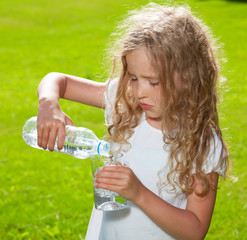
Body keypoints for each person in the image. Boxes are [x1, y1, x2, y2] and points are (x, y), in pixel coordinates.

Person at [36, 3, 230, 240]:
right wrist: (48, 104)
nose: (140, 92)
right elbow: (58, 80)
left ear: (189, 77)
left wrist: (138, 193)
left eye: (154, 82)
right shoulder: (125, 103)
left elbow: (195, 229)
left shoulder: (202, 141)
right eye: (134, 78)